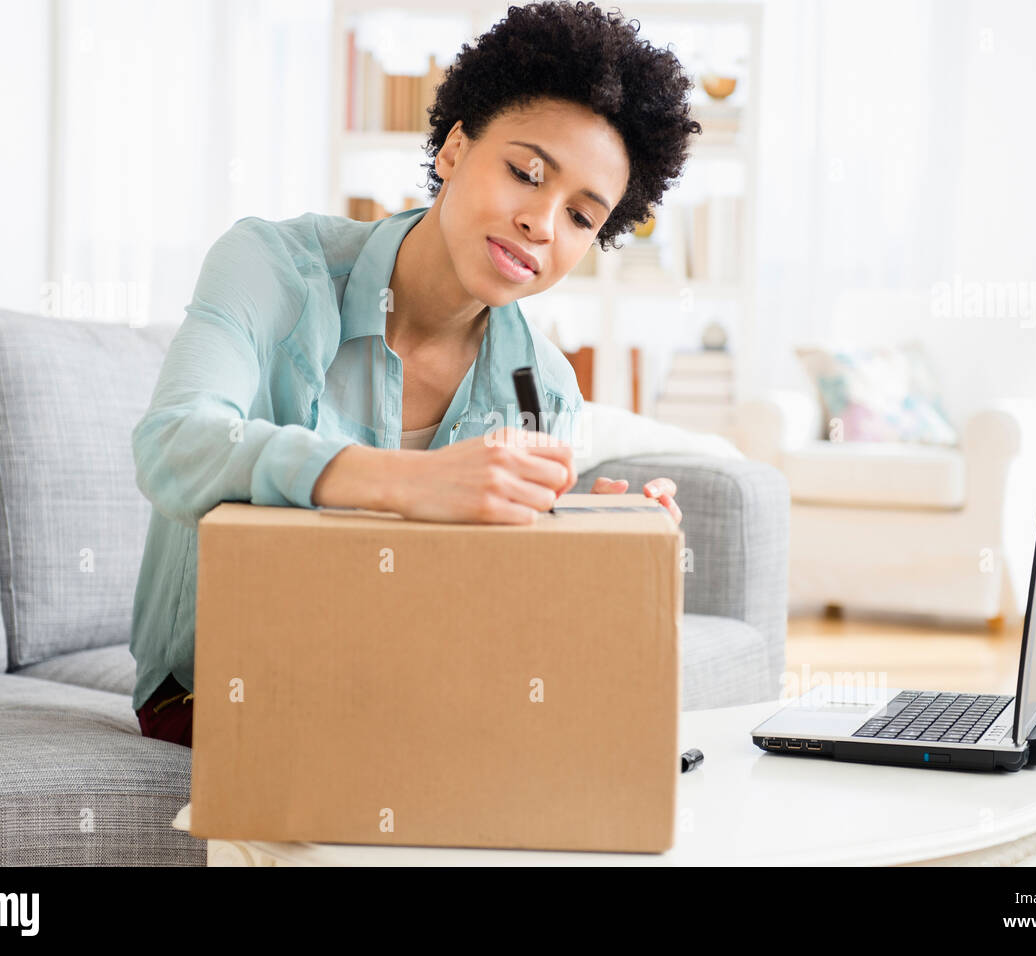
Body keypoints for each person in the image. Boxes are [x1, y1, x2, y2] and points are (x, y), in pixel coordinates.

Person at [132, 0, 698, 746]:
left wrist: (595, 559)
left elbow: (491, 621)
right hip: (218, 688)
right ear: (455, 150)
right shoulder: (272, 269)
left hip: (417, 689)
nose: (542, 223)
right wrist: (405, 483)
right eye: (527, 172)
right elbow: (175, 444)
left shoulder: (543, 387)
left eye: (581, 218)